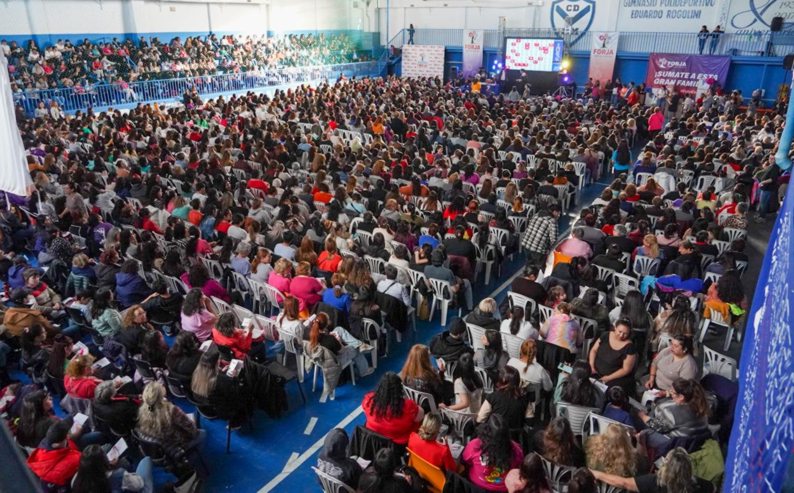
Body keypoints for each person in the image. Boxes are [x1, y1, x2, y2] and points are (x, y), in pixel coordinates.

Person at [591, 447, 713, 492]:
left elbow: (624, 483)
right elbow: (713, 488)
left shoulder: (654, 482)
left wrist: (596, 473)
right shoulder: (700, 485)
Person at [638, 378, 710, 454]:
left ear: (681, 397)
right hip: (694, 440)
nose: (670, 393)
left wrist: (642, 416)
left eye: (673, 392)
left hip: (678, 444)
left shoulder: (673, 412)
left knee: (644, 433)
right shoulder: (699, 405)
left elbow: (659, 427)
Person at [136, 381, 205, 453]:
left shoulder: (143, 410)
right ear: (161, 396)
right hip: (177, 443)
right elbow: (190, 427)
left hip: (161, 445)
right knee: (203, 433)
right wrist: (195, 432)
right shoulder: (171, 410)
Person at [462, 413, 523, 491]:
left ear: (486, 429)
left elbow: (465, 461)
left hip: (476, 487)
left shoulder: (475, 445)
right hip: (503, 488)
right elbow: (518, 468)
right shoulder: (516, 449)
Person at [362, 372, 423, 445]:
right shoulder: (408, 407)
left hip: (374, 441)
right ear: (399, 389)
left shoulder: (369, 400)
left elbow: (364, 411)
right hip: (398, 445)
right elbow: (420, 416)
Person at [71, 444, 153, 493]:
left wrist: (109, 466)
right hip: (130, 482)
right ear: (104, 461)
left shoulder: (75, 480)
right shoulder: (118, 476)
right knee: (146, 461)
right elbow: (139, 484)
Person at [26, 420, 82, 488]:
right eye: (66, 437)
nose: (68, 437)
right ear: (58, 444)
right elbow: (82, 459)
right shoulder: (73, 460)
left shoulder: (42, 448)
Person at [588, 319, 637, 394]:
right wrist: (591, 366)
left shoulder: (629, 347)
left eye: (625, 334)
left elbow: (626, 369)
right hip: (595, 370)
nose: (621, 335)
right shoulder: (605, 335)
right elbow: (594, 350)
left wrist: (608, 378)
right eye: (620, 332)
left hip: (614, 377)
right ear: (615, 328)